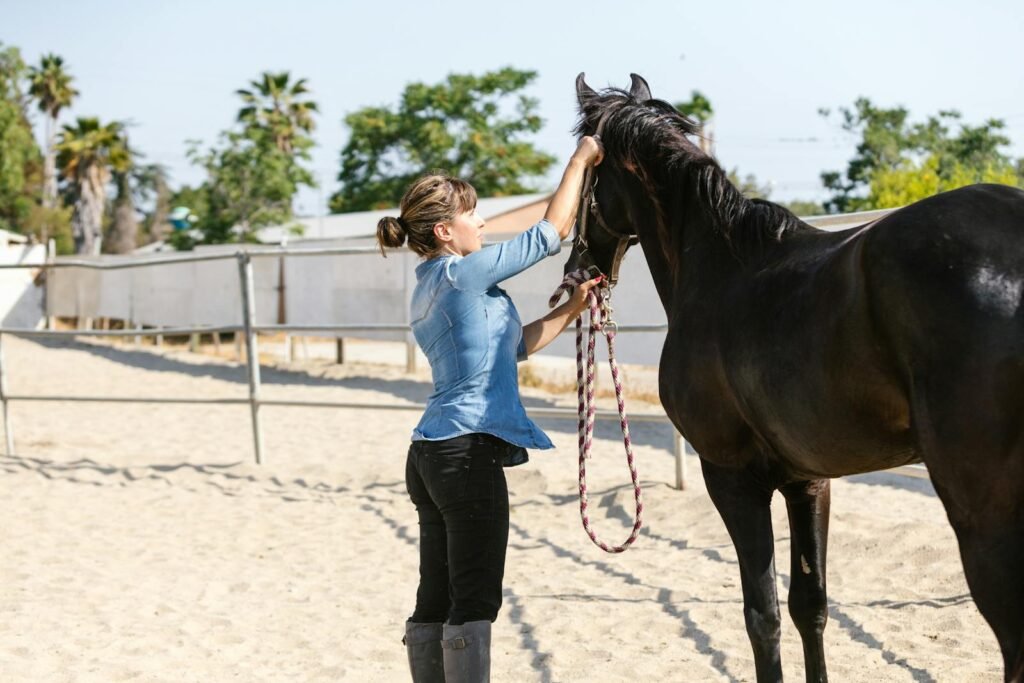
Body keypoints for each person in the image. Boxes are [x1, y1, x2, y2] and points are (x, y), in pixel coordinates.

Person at [376, 136, 604, 682]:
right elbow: (549, 236)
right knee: (474, 601)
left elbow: (514, 347)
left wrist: (573, 308)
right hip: (465, 454)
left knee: (435, 597)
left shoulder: (432, 286)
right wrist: (581, 159)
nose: (482, 223)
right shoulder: (461, 272)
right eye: (473, 215)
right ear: (444, 231)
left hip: (430, 456)